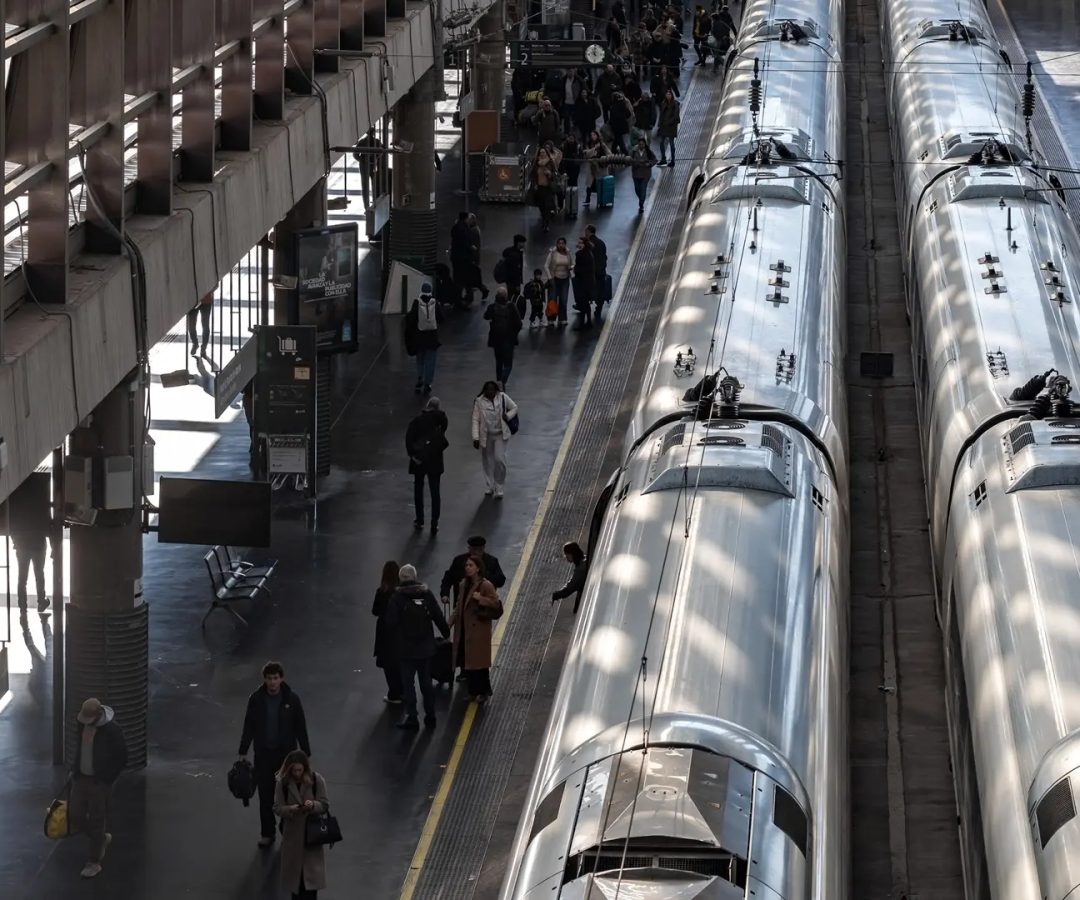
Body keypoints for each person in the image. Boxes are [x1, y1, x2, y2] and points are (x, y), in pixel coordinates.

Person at [238, 661, 312, 848]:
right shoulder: (256, 700)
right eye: (269, 678)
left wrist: (305, 753)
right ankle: (267, 833)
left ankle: (285, 830)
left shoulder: (291, 700)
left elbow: (300, 726)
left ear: (281, 679)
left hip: (286, 757)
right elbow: (249, 725)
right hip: (263, 755)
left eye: (275, 678)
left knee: (288, 795)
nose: (272, 682)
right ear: (264, 679)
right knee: (265, 796)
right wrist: (243, 750)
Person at [385, 564, 451, 729]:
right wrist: (445, 632)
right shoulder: (426, 594)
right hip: (425, 648)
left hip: (406, 650)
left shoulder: (397, 598)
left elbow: (390, 622)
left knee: (409, 685)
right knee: (426, 683)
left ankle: (412, 718)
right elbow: (437, 614)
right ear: (415, 577)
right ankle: (430, 716)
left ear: (401, 578)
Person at [70, 698, 127, 879]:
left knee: (96, 819)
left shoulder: (112, 731)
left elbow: (122, 757)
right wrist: (75, 769)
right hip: (80, 778)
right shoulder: (82, 725)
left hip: (98, 782)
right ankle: (100, 838)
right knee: (75, 815)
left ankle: (94, 861)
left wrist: (106, 779)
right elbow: (81, 749)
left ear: (98, 716)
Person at [273, 750, 329, 899]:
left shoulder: (316, 781)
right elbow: (277, 807)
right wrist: (289, 809)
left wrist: (313, 805)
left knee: (310, 887)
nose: (297, 773)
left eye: (300, 770)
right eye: (294, 770)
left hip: (311, 836)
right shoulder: (282, 784)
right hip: (293, 837)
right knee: (296, 888)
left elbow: (324, 804)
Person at [452, 556, 502, 703]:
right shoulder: (463, 584)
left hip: (479, 629)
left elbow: (495, 603)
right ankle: (473, 691)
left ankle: (483, 691)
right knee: (469, 662)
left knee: (480, 663)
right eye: (466, 565)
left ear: (478, 568)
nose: (467, 567)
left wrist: (480, 598)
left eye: (471, 565)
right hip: (466, 628)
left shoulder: (485, 585)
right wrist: (449, 623)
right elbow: (458, 605)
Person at [405, 397, 449, 533]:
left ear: (427, 406)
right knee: (435, 491)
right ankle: (434, 522)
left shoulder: (417, 421)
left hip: (419, 459)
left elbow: (409, 439)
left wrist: (413, 455)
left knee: (418, 488)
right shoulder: (442, 420)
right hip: (435, 459)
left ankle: (420, 519)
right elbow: (442, 434)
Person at [471, 380, 518, 498]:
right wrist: (475, 437)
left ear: (496, 390)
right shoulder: (479, 401)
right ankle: (489, 485)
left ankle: (499, 486)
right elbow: (475, 420)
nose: (490, 392)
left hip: (500, 435)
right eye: (488, 390)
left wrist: (507, 416)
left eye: (492, 389)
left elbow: (514, 408)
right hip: (486, 435)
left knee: (499, 460)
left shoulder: (502, 397)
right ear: (485, 391)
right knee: (488, 461)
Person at [440, 536, 508, 607]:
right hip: (461, 605)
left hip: (482, 608)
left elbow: (501, 580)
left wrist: (484, 580)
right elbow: (448, 578)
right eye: (474, 550)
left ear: (483, 548)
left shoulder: (491, 562)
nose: (476, 552)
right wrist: (445, 594)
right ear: (469, 549)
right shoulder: (459, 561)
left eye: (479, 550)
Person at [372, 560, 402, 704]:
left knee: (387, 663)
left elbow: (375, 611)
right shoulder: (401, 592)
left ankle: (394, 693)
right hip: (399, 631)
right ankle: (402, 691)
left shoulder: (381, 591)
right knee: (399, 662)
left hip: (384, 631)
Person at [404, 281, 442, 394]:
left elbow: (411, 320)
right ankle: (428, 383)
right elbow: (441, 319)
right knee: (430, 361)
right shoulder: (435, 303)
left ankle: (420, 377)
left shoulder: (417, 303)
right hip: (432, 338)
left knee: (420, 360)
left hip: (419, 338)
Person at [484, 287, 523, 386]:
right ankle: (503, 380)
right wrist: (514, 333)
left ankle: (498, 380)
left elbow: (486, 316)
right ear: (506, 296)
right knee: (508, 364)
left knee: (499, 362)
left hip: (496, 339)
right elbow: (519, 323)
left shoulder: (492, 307)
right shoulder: (511, 307)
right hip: (508, 339)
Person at [544, 237, 574, 325]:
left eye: (562, 243)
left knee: (563, 299)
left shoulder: (568, 253)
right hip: (554, 279)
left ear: (565, 244)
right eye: (559, 243)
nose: (561, 245)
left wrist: (571, 268)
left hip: (565, 279)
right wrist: (550, 278)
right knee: (552, 299)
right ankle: (551, 318)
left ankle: (562, 318)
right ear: (557, 244)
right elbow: (546, 266)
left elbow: (572, 263)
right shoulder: (552, 253)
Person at [551, 541, 588, 612]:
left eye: (567, 555)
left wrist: (557, 594)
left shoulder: (581, 569)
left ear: (572, 554)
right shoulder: (584, 560)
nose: (566, 557)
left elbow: (570, 587)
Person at [583, 130, 613, 208]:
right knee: (589, 185)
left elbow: (609, 153)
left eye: (594, 135)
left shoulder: (602, 145)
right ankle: (587, 199)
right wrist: (594, 149)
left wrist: (605, 159)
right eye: (591, 135)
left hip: (601, 168)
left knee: (601, 185)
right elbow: (587, 154)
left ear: (597, 136)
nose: (592, 136)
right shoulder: (589, 144)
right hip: (592, 168)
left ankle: (602, 200)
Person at [533, 146, 560, 231]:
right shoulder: (536, 163)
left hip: (548, 187)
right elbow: (533, 175)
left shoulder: (550, 162)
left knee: (547, 206)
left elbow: (555, 174)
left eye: (543, 152)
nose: (542, 154)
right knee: (541, 206)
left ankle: (546, 223)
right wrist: (534, 184)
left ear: (546, 153)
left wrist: (550, 173)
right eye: (540, 152)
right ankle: (544, 218)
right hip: (539, 187)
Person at [586, 224, 610, 319]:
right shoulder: (601, 242)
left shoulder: (588, 243)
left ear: (588, 232)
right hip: (601, 271)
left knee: (586, 290)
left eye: (586, 232)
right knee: (600, 291)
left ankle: (583, 307)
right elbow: (605, 256)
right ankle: (598, 309)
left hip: (591, 272)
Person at [572, 237, 596, 329]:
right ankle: (589, 321)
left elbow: (580, 268)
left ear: (584, 244)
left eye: (581, 243)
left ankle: (582, 323)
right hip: (589, 282)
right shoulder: (589, 253)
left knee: (582, 303)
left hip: (582, 282)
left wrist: (575, 269)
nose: (579, 244)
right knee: (586, 303)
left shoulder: (580, 254)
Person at [630, 136, 659, 212]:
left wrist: (649, 164)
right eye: (639, 144)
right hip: (636, 174)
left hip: (645, 174)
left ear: (645, 144)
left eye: (642, 144)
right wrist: (634, 163)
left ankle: (641, 204)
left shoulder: (648, 152)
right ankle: (641, 199)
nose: (641, 146)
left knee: (643, 189)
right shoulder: (633, 151)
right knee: (637, 189)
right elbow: (629, 160)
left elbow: (655, 160)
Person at [497, 234, 526, 304]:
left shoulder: (510, 251)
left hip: (509, 280)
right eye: (523, 242)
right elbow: (515, 271)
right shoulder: (515, 255)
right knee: (514, 298)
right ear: (518, 243)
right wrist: (517, 284)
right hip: (513, 282)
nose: (524, 244)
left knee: (510, 296)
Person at [657, 89, 680, 167]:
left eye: (669, 94)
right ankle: (663, 159)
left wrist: (669, 122)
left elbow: (676, 116)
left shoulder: (675, 104)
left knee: (671, 144)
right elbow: (661, 115)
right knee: (661, 142)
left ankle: (673, 160)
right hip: (663, 126)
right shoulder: (663, 103)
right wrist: (659, 124)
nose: (668, 96)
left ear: (672, 95)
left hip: (671, 127)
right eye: (667, 94)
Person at [186, 292, 213, 357]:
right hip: (193, 300)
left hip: (206, 300)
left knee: (205, 325)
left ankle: (203, 348)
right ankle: (195, 344)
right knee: (191, 325)